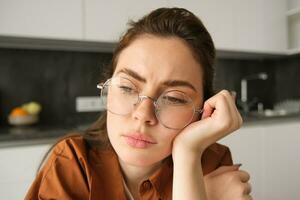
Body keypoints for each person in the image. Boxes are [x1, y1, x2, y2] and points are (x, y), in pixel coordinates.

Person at [25, 7, 251, 200]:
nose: (143, 114)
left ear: (203, 108)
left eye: (174, 98)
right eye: (127, 88)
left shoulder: (210, 161)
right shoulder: (71, 164)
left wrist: (187, 153)